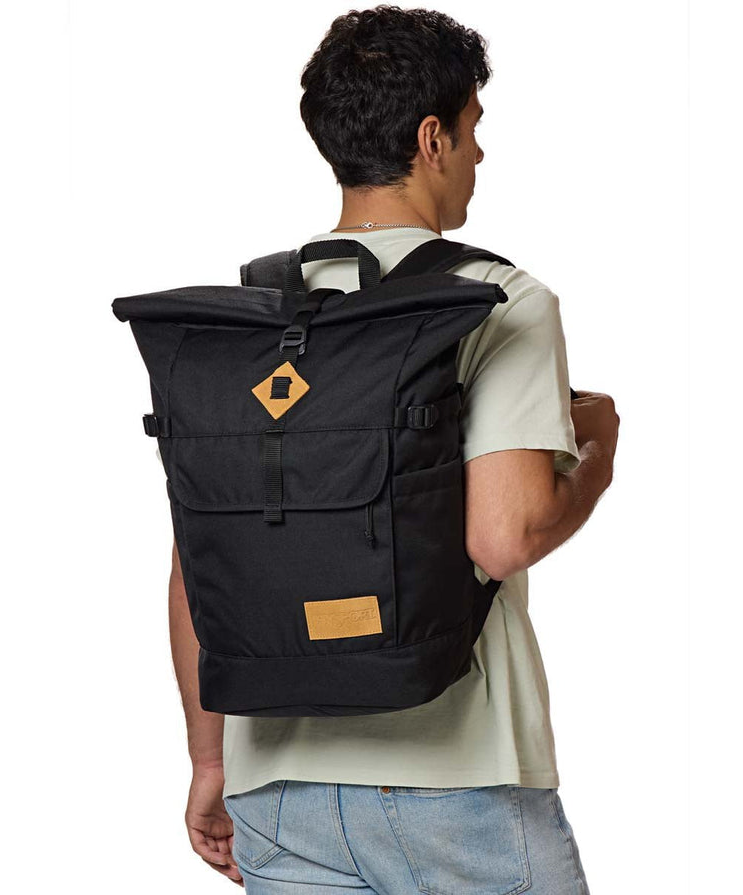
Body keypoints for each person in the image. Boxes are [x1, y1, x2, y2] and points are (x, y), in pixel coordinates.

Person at [164, 5, 619, 892]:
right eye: (473, 129)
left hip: (277, 791)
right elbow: (505, 535)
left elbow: (199, 566)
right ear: (431, 139)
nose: (480, 154)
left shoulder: (250, 320)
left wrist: (212, 761)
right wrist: (598, 449)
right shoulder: (495, 300)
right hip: (458, 779)